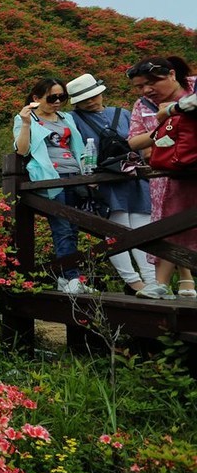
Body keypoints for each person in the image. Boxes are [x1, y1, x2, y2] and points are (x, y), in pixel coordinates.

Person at [64, 72, 156, 293]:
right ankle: (134, 282)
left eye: (94, 96)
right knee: (117, 231)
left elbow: (140, 142)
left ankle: (153, 282)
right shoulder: (73, 119)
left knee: (144, 228)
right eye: (85, 99)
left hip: (135, 179)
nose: (91, 101)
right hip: (104, 182)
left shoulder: (123, 114)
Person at [13, 77, 94, 294]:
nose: (58, 102)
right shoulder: (25, 119)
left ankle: (64, 278)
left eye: (62, 97)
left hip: (75, 175)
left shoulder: (66, 117)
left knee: (74, 227)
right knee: (62, 228)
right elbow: (21, 150)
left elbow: (78, 147)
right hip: (50, 176)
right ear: (36, 98)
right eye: (52, 97)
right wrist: (27, 123)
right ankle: (73, 278)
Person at [126, 56, 197, 299]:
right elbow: (134, 141)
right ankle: (162, 284)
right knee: (169, 224)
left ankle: (182, 282)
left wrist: (172, 113)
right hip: (166, 178)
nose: (147, 90)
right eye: (139, 86)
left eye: (152, 82)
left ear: (171, 75)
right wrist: (163, 125)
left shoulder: (195, 88)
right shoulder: (143, 106)